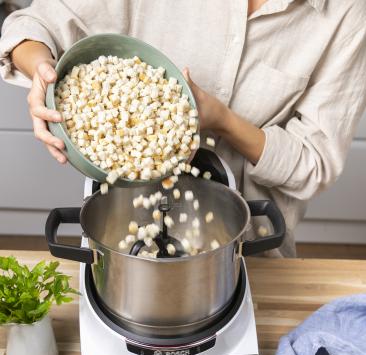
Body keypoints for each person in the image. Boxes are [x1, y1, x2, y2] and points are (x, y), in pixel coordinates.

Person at [0, 0, 366, 257]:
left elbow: (315, 164)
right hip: (118, 217)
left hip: (249, 243)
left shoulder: (348, 14)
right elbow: (33, 25)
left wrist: (222, 120)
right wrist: (43, 74)